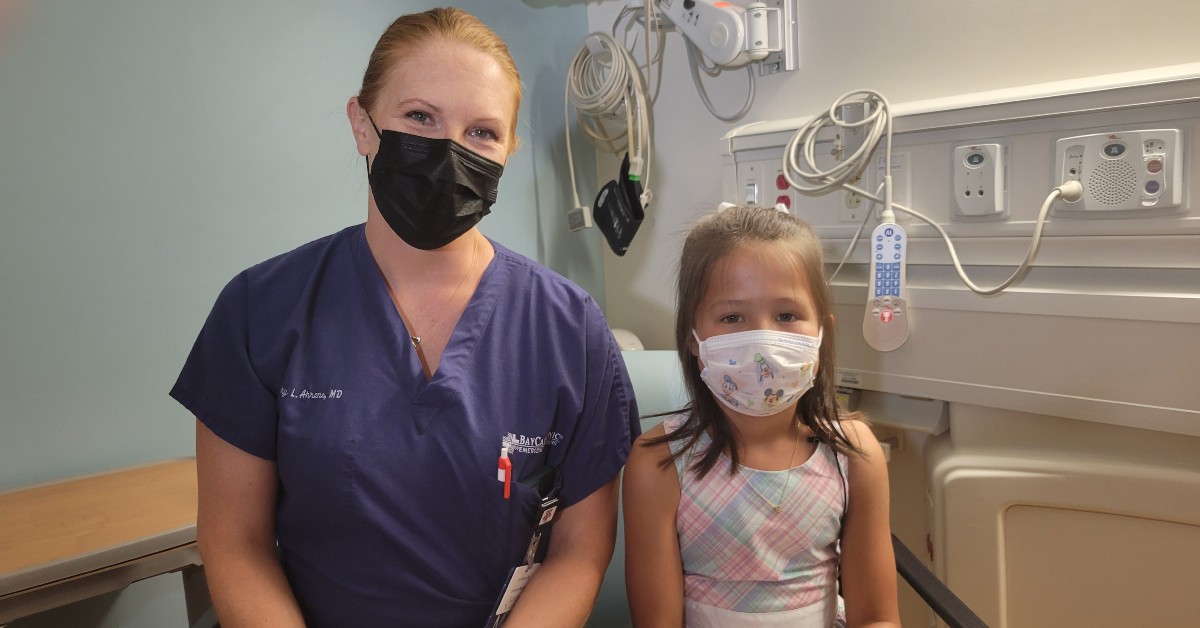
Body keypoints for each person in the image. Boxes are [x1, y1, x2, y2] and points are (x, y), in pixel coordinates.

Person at [170, 8, 640, 627]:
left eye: (482, 133)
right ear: (362, 124)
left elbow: (578, 555)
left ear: (508, 152)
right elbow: (236, 544)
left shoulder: (569, 329)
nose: (450, 152)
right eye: (420, 117)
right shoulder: (263, 311)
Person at [622, 204, 899, 627]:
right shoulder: (658, 464)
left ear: (822, 333)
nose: (763, 342)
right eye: (732, 318)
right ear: (693, 338)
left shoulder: (855, 456)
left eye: (787, 316)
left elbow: (877, 617)